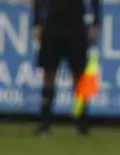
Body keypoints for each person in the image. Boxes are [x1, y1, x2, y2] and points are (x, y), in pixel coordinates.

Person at [31, 0, 100, 135]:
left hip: (76, 25)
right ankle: (45, 122)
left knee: (78, 75)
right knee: (49, 73)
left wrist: (96, 22)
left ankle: (82, 122)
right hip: (52, 24)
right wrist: (37, 22)